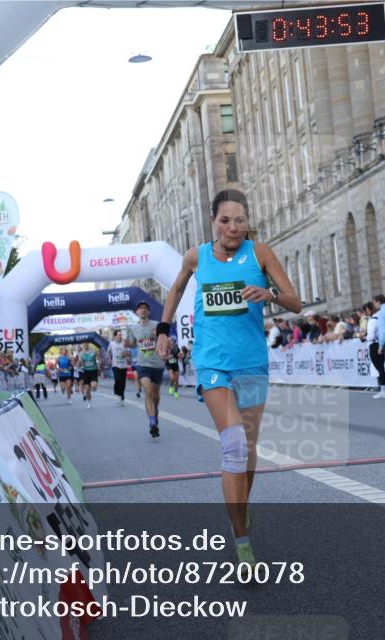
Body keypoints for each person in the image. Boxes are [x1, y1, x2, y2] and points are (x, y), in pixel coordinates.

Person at [154, 188, 301, 567]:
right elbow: (176, 287)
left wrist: (269, 293)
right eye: (225, 220)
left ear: (247, 221)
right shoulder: (197, 256)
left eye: (240, 220)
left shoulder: (260, 253)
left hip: (251, 363)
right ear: (213, 222)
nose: (233, 227)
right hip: (212, 362)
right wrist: (163, 329)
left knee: (248, 450)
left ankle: (241, 509)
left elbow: (295, 302)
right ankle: (242, 542)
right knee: (234, 445)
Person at [125, 301, 165, 437]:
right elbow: (132, 344)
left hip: (157, 364)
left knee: (156, 394)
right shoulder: (133, 328)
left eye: (145, 308)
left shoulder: (156, 325)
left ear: (149, 312)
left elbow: (165, 339)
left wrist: (158, 335)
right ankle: (152, 423)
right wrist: (127, 343)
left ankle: (155, 411)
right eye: (140, 308)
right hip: (142, 364)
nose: (143, 310)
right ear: (136, 312)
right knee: (148, 391)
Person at [363, 300, 385, 398]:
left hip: (374, 345)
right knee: (381, 368)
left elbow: (370, 336)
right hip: (382, 343)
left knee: (380, 368)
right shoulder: (381, 317)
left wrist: (363, 337)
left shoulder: (372, 321)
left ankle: (384, 390)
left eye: (366, 310)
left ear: (369, 310)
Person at [108, 330, 130, 406]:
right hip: (115, 365)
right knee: (118, 379)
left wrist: (125, 354)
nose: (121, 336)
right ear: (115, 336)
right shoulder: (111, 344)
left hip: (123, 366)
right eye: (119, 335)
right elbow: (108, 352)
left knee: (123, 383)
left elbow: (128, 355)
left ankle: (122, 397)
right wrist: (109, 358)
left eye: (121, 335)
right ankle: (118, 394)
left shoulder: (124, 344)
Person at [79, 343, 100, 408]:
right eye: (84, 345)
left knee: (93, 386)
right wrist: (79, 363)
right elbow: (80, 363)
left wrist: (99, 364)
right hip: (86, 372)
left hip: (93, 371)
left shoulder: (93, 351)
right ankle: (89, 402)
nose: (85, 346)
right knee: (87, 388)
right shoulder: (81, 354)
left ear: (88, 345)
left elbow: (99, 358)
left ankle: (93, 387)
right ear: (82, 346)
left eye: (86, 344)